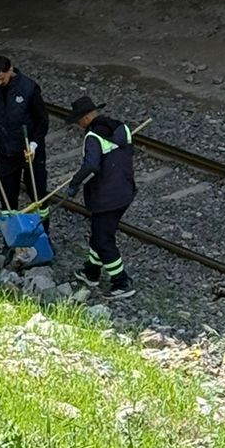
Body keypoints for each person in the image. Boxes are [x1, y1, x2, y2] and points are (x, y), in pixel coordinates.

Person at [64, 93, 136, 299]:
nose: (79, 124)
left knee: (103, 240)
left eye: (78, 120)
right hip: (125, 190)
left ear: (86, 117)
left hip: (106, 197)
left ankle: (121, 282)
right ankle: (91, 272)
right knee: (98, 233)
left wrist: (75, 183)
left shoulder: (93, 136)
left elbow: (91, 165)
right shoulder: (122, 129)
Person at [0, 54, 49, 226]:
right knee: (7, 199)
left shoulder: (29, 88)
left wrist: (34, 143)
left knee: (37, 194)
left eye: (2, 78)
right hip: (5, 152)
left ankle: (42, 234)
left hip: (29, 151)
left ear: (10, 70)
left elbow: (43, 120)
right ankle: (11, 240)